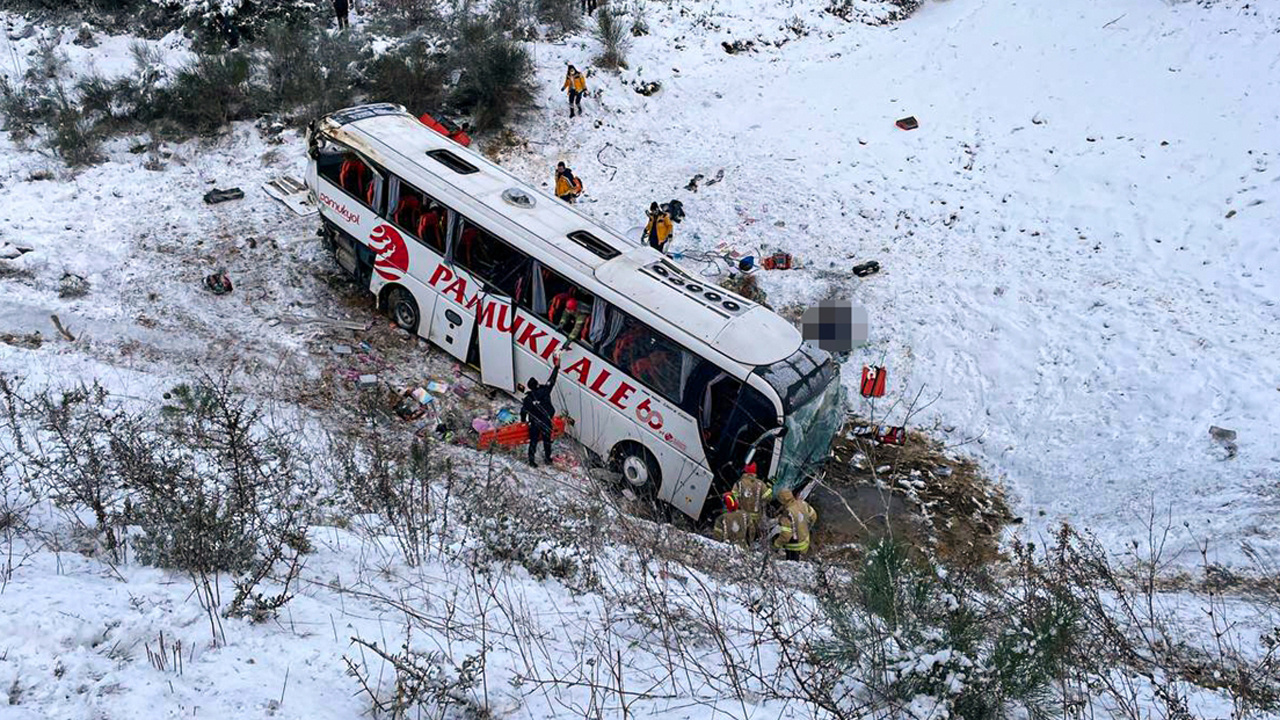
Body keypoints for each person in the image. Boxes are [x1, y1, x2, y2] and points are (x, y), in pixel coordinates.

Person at [520, 355, 561, 467]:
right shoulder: (545, 391)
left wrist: (523, 421)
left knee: (533, 442)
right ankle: (547, 458)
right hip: (546, 422)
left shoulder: (528, 399)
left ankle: (532, 461)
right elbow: (552, 380)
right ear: (537, 384)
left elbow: (523, 411)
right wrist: (556, 368)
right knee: (547, 441)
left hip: (535, 423)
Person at [729, 462, 772, 541]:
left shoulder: (739, 483)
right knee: (750, 538)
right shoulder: (761, 484)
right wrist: (769, 487)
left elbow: (733, 497)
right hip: (755, 519)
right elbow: (768, 497)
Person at [772, 488, 818, 561]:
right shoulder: (803, 504)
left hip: (794, 548)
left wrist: (775, 545)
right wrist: (805, 527)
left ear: (782, 501)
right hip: (805, 542)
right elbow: (814, 516)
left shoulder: (787, 514)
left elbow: (786, 535)